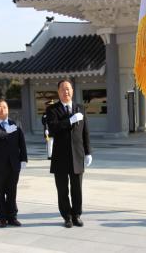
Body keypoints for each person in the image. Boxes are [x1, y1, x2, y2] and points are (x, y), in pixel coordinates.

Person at [46, 79, 92, 228]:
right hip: (60, 156)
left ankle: (76, 214)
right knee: (62, 189)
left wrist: (88, 152)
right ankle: (66, 217)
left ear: (72, 90)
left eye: (68, 89)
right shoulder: (52, 110)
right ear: (58, 92)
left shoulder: (80, 108)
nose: (66, 92)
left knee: (77, 188)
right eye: (63, 89)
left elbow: (85, 132)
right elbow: (53, 129)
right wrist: (70, 121)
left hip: (77, 155)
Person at [0, 98, 28, 228]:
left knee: (12, 192)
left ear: (8, 110)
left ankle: (12, 217)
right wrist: (5, 131)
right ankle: (2, 219)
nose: (1, 109)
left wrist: (24, 159)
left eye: (4, 107)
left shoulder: (16, 124)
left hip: (13, 165)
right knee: (0, 193)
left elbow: (22, 143)